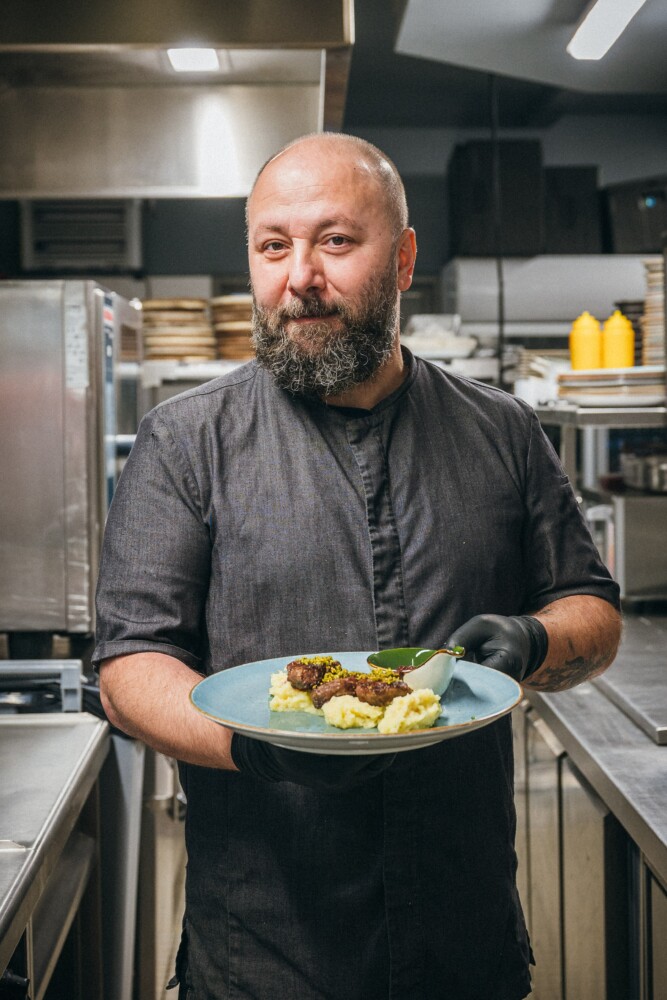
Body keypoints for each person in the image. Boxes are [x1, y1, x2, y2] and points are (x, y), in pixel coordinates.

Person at [94, 132, 621, 1000]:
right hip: (265, 956)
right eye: (273, 246)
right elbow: (130, 668)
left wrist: (533, 639)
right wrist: (260, 750)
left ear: (403, 258)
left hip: (464, 945)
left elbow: (590, 612)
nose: (299, 276)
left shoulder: (501, 431)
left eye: (335, 241)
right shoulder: (186, 443)